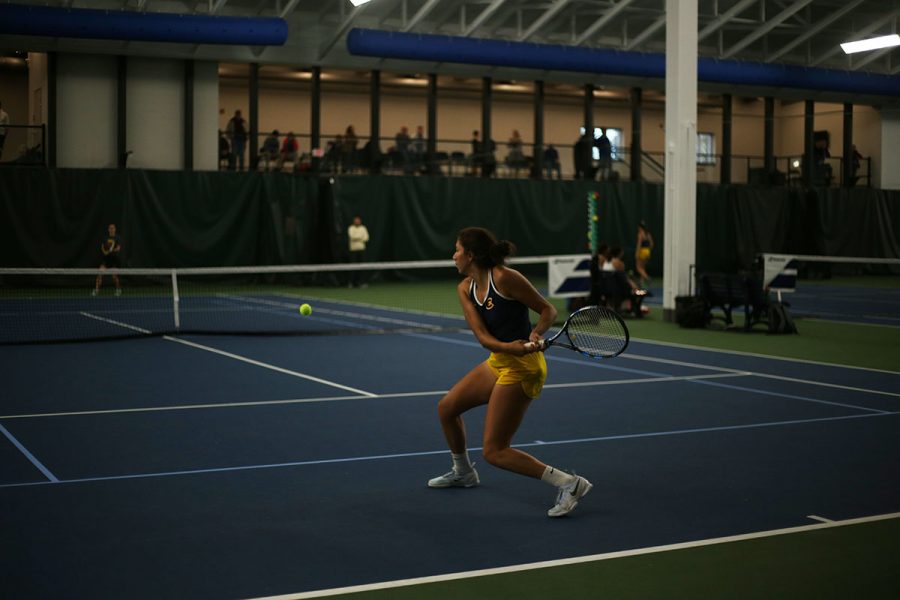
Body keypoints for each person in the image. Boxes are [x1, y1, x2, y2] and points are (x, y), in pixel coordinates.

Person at [428, 227, 592, 518]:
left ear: (471, 255)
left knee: (494, 451)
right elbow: (482, 337)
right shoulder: (464, 288)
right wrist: (509, 347)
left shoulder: (505, 278)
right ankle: (463, 472)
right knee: (446, 408)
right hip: (502, 358)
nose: (453, 255)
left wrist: (536, 332)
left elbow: (548, 311)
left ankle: (570, 483)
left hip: (525, 368)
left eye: (457, 250)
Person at [92, 223, 123, 296]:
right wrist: (105, 252)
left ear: (115, 229)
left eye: (113, 228)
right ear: (108, 230)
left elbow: (118, 248)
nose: (112, 229)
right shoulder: (105, 238)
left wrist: (111, 250)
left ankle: (118, 289)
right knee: (99, 274)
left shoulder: (118, 238)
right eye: (110, 228)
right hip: (105, 261)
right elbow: (102, 247)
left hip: (114, 261)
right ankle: (96, 290)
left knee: (114, 276)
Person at [347, 215, 370, 288]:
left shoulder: (363, 228)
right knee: (352, 267)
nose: (357, 221)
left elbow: (366, 238)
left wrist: (357, 238)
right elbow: (352, 237)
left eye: (358, 220)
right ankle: (351, 283)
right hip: (353, 250)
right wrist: (360, 237)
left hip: (362, 250)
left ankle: (362, 283)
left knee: (362, 266)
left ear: (360, 221)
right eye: (356, 220)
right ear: (354, 221)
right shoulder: (351, 228)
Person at [635, 221, 654, 287]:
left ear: (640, 227)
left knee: (638, 268)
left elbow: (639, 244)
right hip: (647, 251)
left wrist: (637, 253)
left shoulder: (640, 234)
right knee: (643, 268)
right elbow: (651, 244)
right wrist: (647, 250)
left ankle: (647, 278)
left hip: (642, 251)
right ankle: (641, 282)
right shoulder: (648, 234)